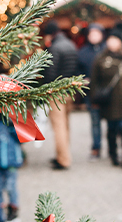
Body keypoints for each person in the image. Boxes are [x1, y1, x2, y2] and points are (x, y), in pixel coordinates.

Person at [89, 31, 122, 168]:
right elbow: (95, 81)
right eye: (110, 40)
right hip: (109, 100)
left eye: (115, 40)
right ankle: (113, 154)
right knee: (112, 129)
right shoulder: (101, 58)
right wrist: (95, 99)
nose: (112, 43)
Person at [40, 20, 78, 170]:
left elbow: (50, 73)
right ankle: (63, 154)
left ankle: (63, 159)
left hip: (56, 93)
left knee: (58, 127)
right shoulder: (71, 45)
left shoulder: (54, 48)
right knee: (66, 125)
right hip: (69, 91)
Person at [76, 23, 106, 160]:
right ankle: (96, 147)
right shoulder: (82, 52)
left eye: (97, 33)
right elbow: (77, 71)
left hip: (108, 91)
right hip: (91, 93)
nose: (94, 36)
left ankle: (114, 148)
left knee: (112, 121)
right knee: (95, 122)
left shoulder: (107, 49)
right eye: (91, 33)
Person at [0, 114, 23, 222]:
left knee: (11, 187)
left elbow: (22, 138)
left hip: (12, 161)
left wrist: (12, 126)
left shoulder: (14, 120)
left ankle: (13, 209)